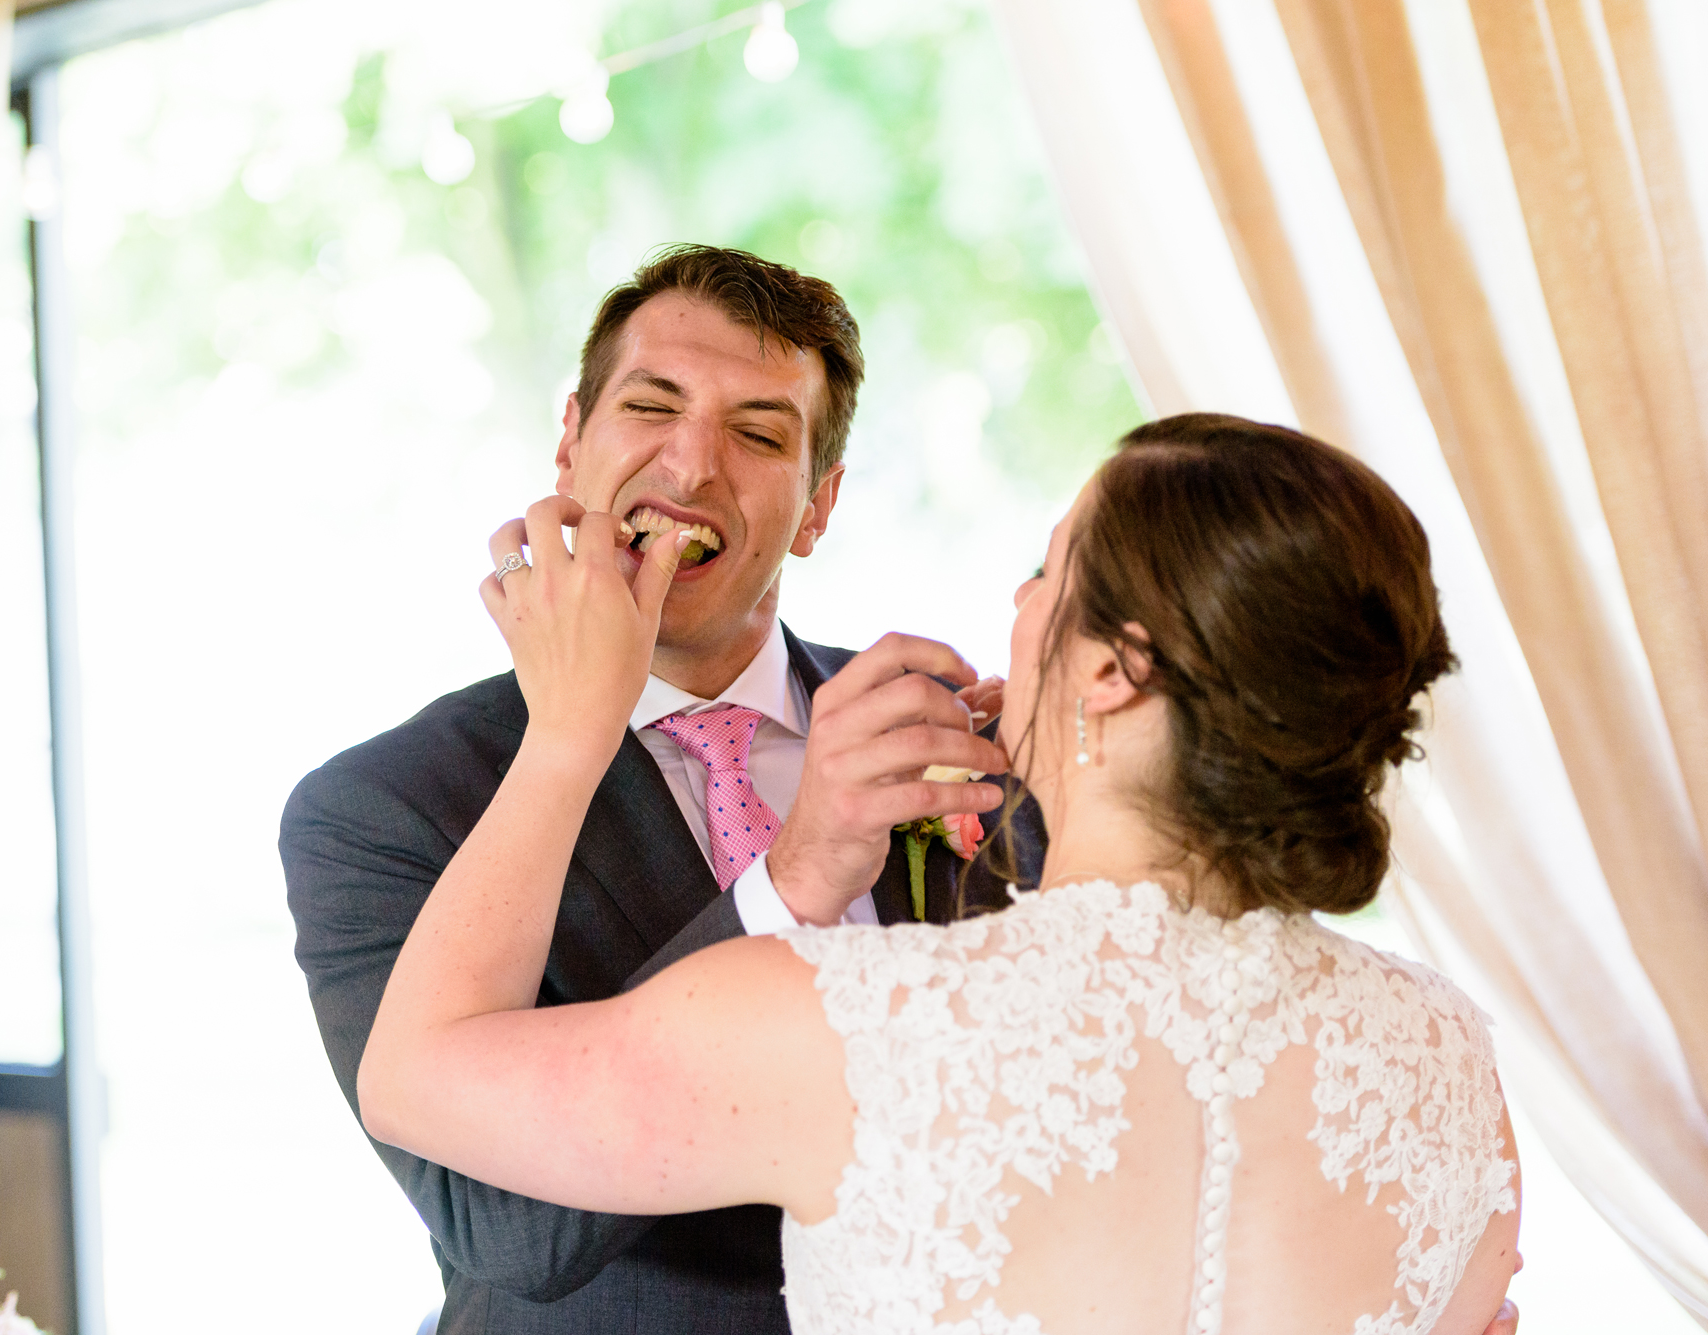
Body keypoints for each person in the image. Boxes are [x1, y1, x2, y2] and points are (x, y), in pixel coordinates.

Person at [361, 413, 1526, 1334]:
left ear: (1116, 672)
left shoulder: (851, 1023)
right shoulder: (1443, 1054)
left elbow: (415, 1077)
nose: (1017, 608)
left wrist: (569, 727)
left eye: (1044, 570)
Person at [281, 245, 1043, 1334]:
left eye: (758, 433)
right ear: (569, 444)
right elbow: (504, 1226)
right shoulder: (380, 809)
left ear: (817, 506)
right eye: (652, 405)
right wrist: (789, 879)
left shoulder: (927, 734)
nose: (689, 469)